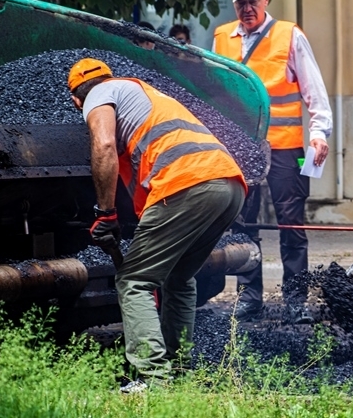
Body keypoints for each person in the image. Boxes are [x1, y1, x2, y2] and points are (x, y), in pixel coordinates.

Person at [68, 58, 247, 391]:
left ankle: (153, 378)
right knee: (180, 276)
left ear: (76, 100)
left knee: (134, 280)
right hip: (229, 185)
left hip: (186, 185)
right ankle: (179, 372)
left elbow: (104, 145)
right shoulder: (142, 92)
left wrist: (105, 213)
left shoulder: (97, 95)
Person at [212, 0, 332, 324]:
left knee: (291, 224)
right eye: (240, 2)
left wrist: (320, 133)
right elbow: (216, 92)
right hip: (241, 148)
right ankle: (249, 297)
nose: (247, 8)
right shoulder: (222, 37)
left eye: (252, 0)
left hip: (285, 147)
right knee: (243, 224)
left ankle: (295, 299)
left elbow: (315, 92)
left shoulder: (288, 35)